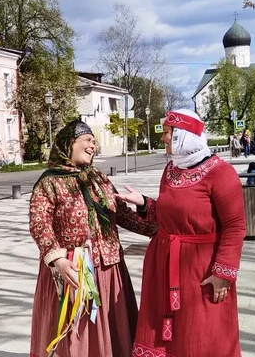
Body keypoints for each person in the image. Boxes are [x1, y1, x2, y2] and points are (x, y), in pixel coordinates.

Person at [116, 109, 246, 357]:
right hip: (163, 264)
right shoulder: (171, 170)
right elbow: (169, 217)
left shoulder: (221, 173)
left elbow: (235, 226)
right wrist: (143, 203)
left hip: (201, 268)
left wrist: (223, 273)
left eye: (167, 132)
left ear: (182, 135)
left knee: (200, 330)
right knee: (163, 330)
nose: (163, 137)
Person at [29, 120, 158, 357]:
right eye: (87, 140)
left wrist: (155, 224)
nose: (92, 146)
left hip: (109, 269)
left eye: (94, 142)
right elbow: (40, 224)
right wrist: (57, 259)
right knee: (77, 332)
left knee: (111, 329)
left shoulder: (98, 178)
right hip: (73, 270)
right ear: (69, 143)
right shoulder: (49, 182)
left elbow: (122, 215)